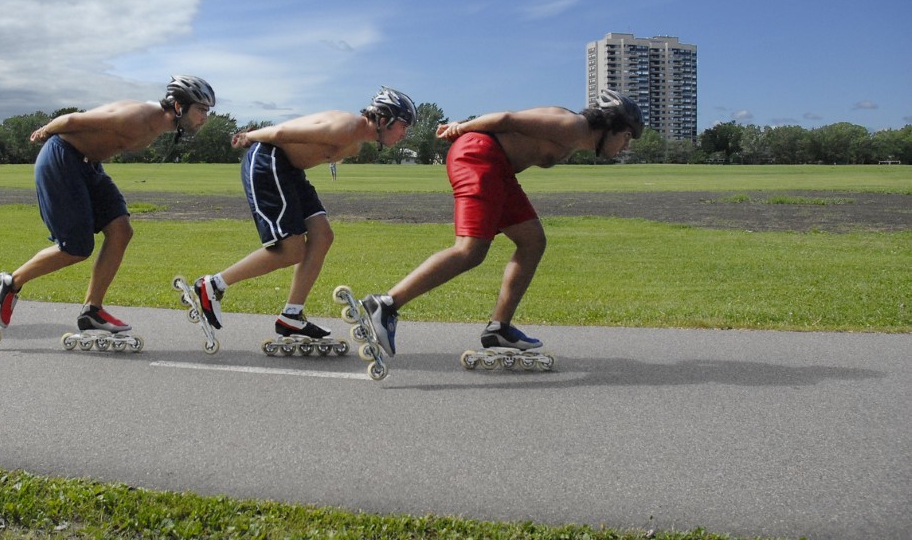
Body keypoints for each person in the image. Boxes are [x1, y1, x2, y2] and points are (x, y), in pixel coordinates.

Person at [361, 89, 644, 356]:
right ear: (610, 125)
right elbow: (508, 118)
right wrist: (461, 128)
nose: (626, 145)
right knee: (470, 250)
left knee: (532, 241)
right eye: (627, 136)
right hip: (479, 155)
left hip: (498, 166)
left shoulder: (577, 136)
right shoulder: (572, 125)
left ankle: (499, 328)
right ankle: (385, 305)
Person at [0, 75, 215, 335]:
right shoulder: (138, 118)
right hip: (63, 158)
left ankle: (91, 311)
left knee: (121, 231)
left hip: (89, 165)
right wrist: (46, 130)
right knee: (76, 248)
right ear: (178, 107)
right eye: (201, 110)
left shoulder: (158, 124)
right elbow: (73, 120)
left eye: (207, 111)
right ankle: (10, 283)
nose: (204, 118)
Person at [191, 87, 417, 341]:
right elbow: (281, 132)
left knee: (322, 235)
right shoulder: (347, 126)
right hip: (270, 160)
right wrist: (249, 136)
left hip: (290, 170)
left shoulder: (355, 142)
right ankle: (213, 285)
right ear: (385, 120)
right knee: (291, 250)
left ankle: (291, 316)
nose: (404, 134)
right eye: (403, 126)